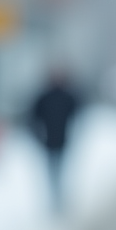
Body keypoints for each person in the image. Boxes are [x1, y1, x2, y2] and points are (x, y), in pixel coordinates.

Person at [28, 69, 81, 217]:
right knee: (52, 172)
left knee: (61, 171)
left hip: (63, 140)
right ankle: (54, 201)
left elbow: (77, 115)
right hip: (48, 142)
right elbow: (32, 119)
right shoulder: (44, 98)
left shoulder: (68, 96)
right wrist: (39, 138)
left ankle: (60, 200)